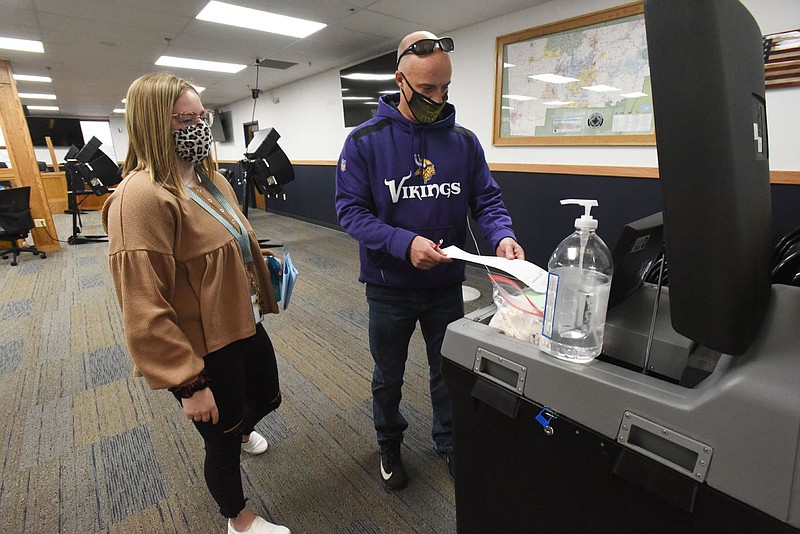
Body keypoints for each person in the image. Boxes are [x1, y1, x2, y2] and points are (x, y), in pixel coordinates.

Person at [335, 31, 525, 490]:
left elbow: (487, 202)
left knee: (448, 373)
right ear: (400, 80)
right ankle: (389, 442)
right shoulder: (365, 142)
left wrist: (502, 236)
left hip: (446, 285)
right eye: (426, 91)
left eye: (445, 89)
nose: (437, 100)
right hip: (389, 288)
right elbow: (350, 212)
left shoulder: (463, 141)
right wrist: (404, 243)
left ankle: (449, 441)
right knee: (389, 376)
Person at [102, 73, 290, 534]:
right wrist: (188, 383)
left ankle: (241, 427)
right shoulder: (140, 198)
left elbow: (229, 240)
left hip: (241, 321)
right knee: (220, 443)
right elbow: (143, 308)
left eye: (200, 116)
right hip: (203, 347)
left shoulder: (210, 180)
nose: (197, 126)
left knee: (267, 394)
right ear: (151, 125)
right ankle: (240, 522)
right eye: (182, 119)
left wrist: (259, 263)